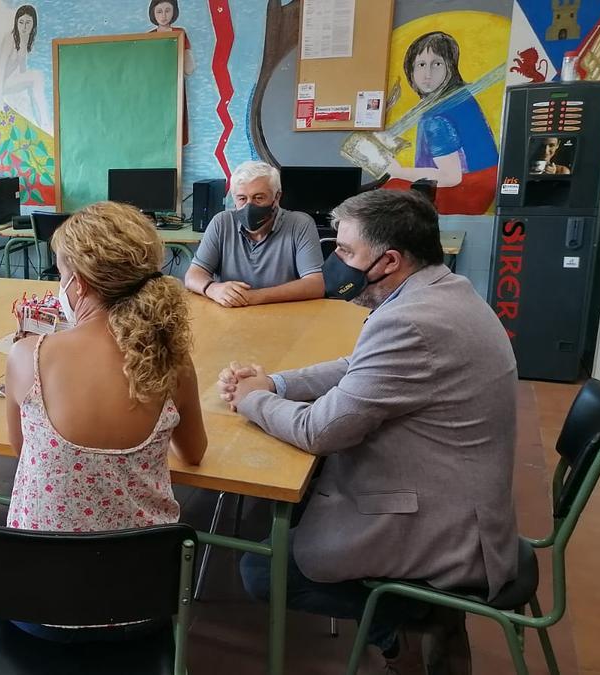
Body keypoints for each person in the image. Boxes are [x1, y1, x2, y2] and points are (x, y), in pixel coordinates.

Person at [220, 190, 518, 674]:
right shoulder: (437, 292)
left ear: (390, 260)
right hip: (459, 497)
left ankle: (414, 621)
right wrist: (275, 382)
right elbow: (357, 365)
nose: (335, 260)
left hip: (448, 531)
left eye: (346, 251)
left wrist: (250, 399)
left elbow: (320, 430)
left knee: (262, 570)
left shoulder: (413, 321)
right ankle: (416, 622)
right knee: (302, 508)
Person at [3, 201, 207, 640]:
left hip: (35, 605)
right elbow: (194, 453)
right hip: (142, 602)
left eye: (60, 273)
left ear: (77, 284)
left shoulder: (29, 356)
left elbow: (22, 453)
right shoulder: (171, 360)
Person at [384, 31, 499, 216]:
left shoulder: (435, 118)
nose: (427, 74)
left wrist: (398, 171)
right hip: (484, 185)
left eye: (436, 64)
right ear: (411, 70)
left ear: (450, 68)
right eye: (421, 65)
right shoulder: (460, 97)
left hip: (467, 191)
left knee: (387, 194)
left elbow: (450, 177)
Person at [184, 161, 325, 308]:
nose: (249, 206)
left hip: (283, 316)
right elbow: (192, 276)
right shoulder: (222, 222)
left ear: (276, 197)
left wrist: (254, 297)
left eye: (259, 198)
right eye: (242, 198)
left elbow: (315, 284)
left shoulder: (300, 224)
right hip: (230, 316)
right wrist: (213, 289)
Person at [0, 4, 51, 133]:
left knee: (36, 77)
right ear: (16, 23)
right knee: (37, 76)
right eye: (21, 22)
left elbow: (22, 70)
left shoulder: (25, 40)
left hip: (8, 82)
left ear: (33, 24)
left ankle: (43, 121)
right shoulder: (10, 38)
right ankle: (45, 122)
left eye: (28, 23)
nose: (24, 27)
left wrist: (27, 92)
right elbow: (1, 67)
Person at [147, 0, 193, 144]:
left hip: (175, 83)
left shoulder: (180, 33)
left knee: (175, 119)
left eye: (168, 10)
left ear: (174, 11)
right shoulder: (148, 36)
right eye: (159, 11)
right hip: (155, 85)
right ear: (153, 13)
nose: (164, 15)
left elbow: (189, 66)